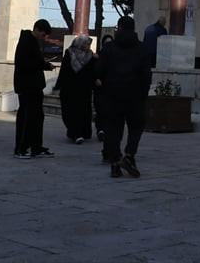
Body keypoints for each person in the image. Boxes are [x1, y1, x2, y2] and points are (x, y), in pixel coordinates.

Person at [96, 15, 152, 178]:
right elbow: (146, 74)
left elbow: (99, 70)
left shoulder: (108, 48)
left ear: (119, 28)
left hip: (112, 94)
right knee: (136, 127)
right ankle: (129, 155)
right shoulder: (142, 49)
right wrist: (143, 93)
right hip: (135, 95)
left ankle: (115, 164)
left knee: (113, 130)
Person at [13, 19, 55, 159]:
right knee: (26, 117)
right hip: (26, 86)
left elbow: (34, 62)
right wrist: (41, 65)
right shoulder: (26, 42)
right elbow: (24, 64)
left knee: (37, 117)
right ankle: (20, 148)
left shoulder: (33, 43)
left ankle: (36, 146)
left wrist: (44, 65)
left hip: (35, 86)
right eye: (43, 35)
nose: (44, 38)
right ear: (36, 30)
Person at [54, 35, 96, 143]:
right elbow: (64, 70)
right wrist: (59, 85)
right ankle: (75, 133)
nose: (88, 46)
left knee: (83, 112)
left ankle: (81, 133)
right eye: (87, 44)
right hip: (70, 88)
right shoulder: (69, 53)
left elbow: (92, 71)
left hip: (84, 89)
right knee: (70, 111)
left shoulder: (90, 55)